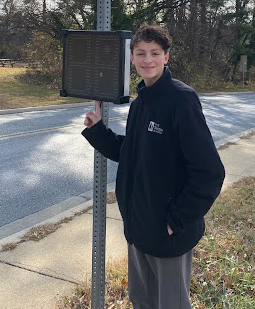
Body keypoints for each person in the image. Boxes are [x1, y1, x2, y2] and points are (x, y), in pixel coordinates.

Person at [82, 24, 225, 309]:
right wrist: (98, 131)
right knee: (141, 300)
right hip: (139, 227)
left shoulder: (181, 100)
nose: (148, 60)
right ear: (132, 58)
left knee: (170, 303)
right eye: (141, 53)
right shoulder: (141, 102)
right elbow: (133, 152)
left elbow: (210, 172)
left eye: (155, 53)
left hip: (168, 232)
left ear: (166, 57)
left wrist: (176, 220)